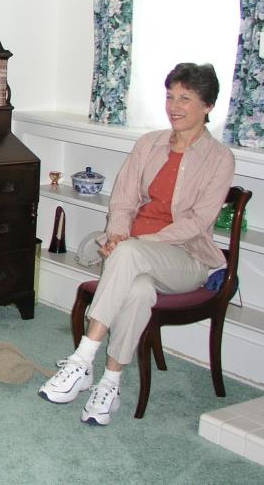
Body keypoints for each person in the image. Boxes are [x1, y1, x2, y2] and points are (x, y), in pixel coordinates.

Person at [38, 63, 234, 426]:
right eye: (170, 96)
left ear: (207, 106)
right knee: (139, 290)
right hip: (134, 252)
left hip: (185, 260)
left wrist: (135, 243)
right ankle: (109, 384)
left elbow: (197, 223)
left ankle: (83, 358)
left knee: (128, 255)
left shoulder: (219, 158)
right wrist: (117, 234)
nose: (173, 106)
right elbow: (123, 200)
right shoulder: (149, 144)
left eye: (185, 98)